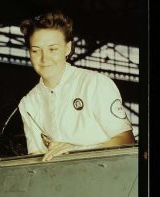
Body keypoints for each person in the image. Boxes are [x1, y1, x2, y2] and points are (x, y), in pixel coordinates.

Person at [18, 10, 135, 161]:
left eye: (52, 49)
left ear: (67, 48)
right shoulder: (28, 104)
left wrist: (78, 151)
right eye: (35, 51)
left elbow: (127, 141)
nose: (44, 58)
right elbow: (36, 159)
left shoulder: (95, 84)